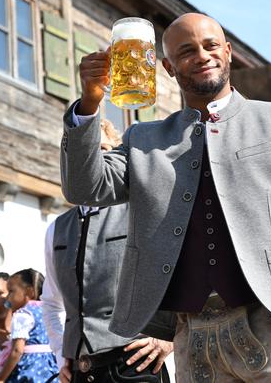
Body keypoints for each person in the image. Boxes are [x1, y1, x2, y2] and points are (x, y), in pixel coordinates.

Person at [61, 13, 271, 382]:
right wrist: (90, 104)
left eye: (210, 45)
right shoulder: (143, 139)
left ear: (229, 51)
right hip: (192, 336)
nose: (202, 55)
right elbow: (83, 189)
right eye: (187, 51)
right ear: (168, 67)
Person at [42, 120, 173, 383]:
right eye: (86, 152)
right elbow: (51, 302)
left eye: (102, 148)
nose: (94, 159)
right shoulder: (56, 229)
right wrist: (61, 354)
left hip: (134, 365)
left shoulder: (141, 212)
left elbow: (175, 274)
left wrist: (170, 338)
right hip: (81, 370)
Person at [0, 269, 58, 383]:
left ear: (29, 292)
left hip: (28, 370)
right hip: (51, 368)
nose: (7, 297)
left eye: (11, 291)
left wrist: (1, 379)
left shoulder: (23, 314)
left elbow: (17, 350)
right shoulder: (49, 312)